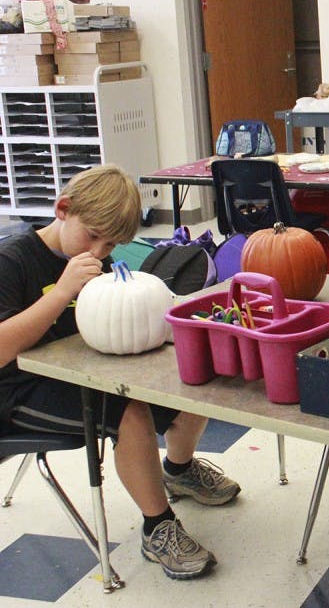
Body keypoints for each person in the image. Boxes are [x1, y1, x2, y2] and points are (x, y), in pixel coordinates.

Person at [0, 165, 241, 580]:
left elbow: (118, 319)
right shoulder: (12, 262)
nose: (98, 251)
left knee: (194, 375)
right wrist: (61, 292)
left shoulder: (100, 260)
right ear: (63, 209)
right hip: (19, 390)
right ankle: (157, 527)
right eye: (92, 236)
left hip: (81, 370)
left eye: (109, 243)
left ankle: (179, 472)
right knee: (128, 410)